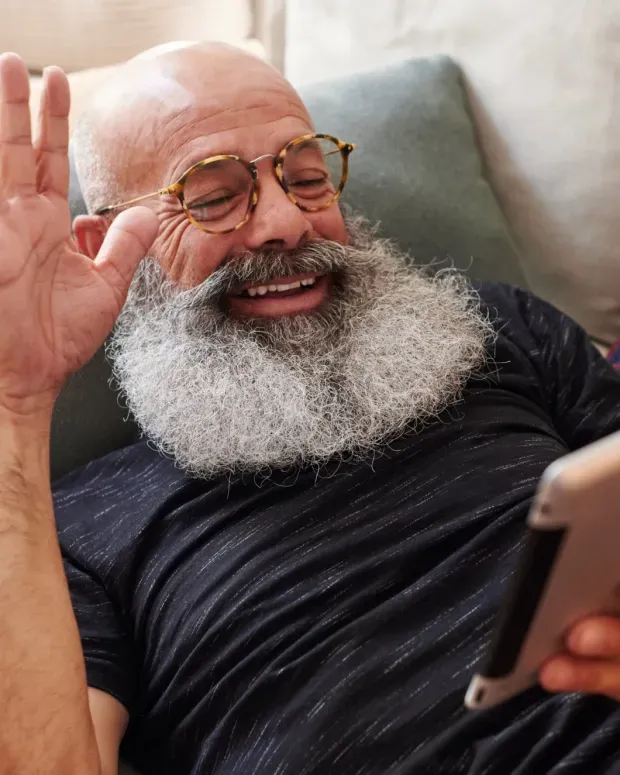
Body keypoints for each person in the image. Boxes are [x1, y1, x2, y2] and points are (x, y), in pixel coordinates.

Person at [2, 42, 620, 775]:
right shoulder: (62, 533)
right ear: (105, 246)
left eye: (306, 178)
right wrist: (16, 405)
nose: (286, 223)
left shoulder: (496, 329)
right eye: (212, 196)